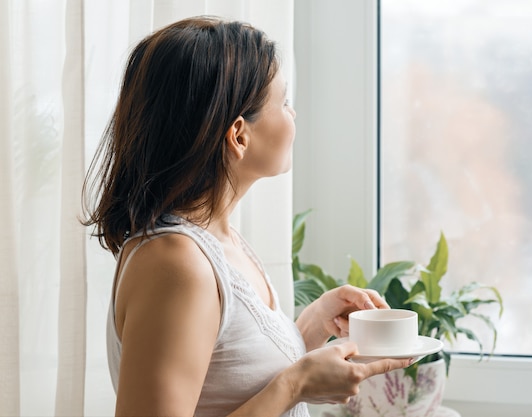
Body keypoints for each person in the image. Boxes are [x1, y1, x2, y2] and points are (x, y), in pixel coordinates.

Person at [82, 15, 411, 417]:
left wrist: (309, 328)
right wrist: (297, 384)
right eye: (284, 102)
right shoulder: (175, 263)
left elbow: (227, 382)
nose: (294, 116)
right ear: (239, 135)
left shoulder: (217, 244)